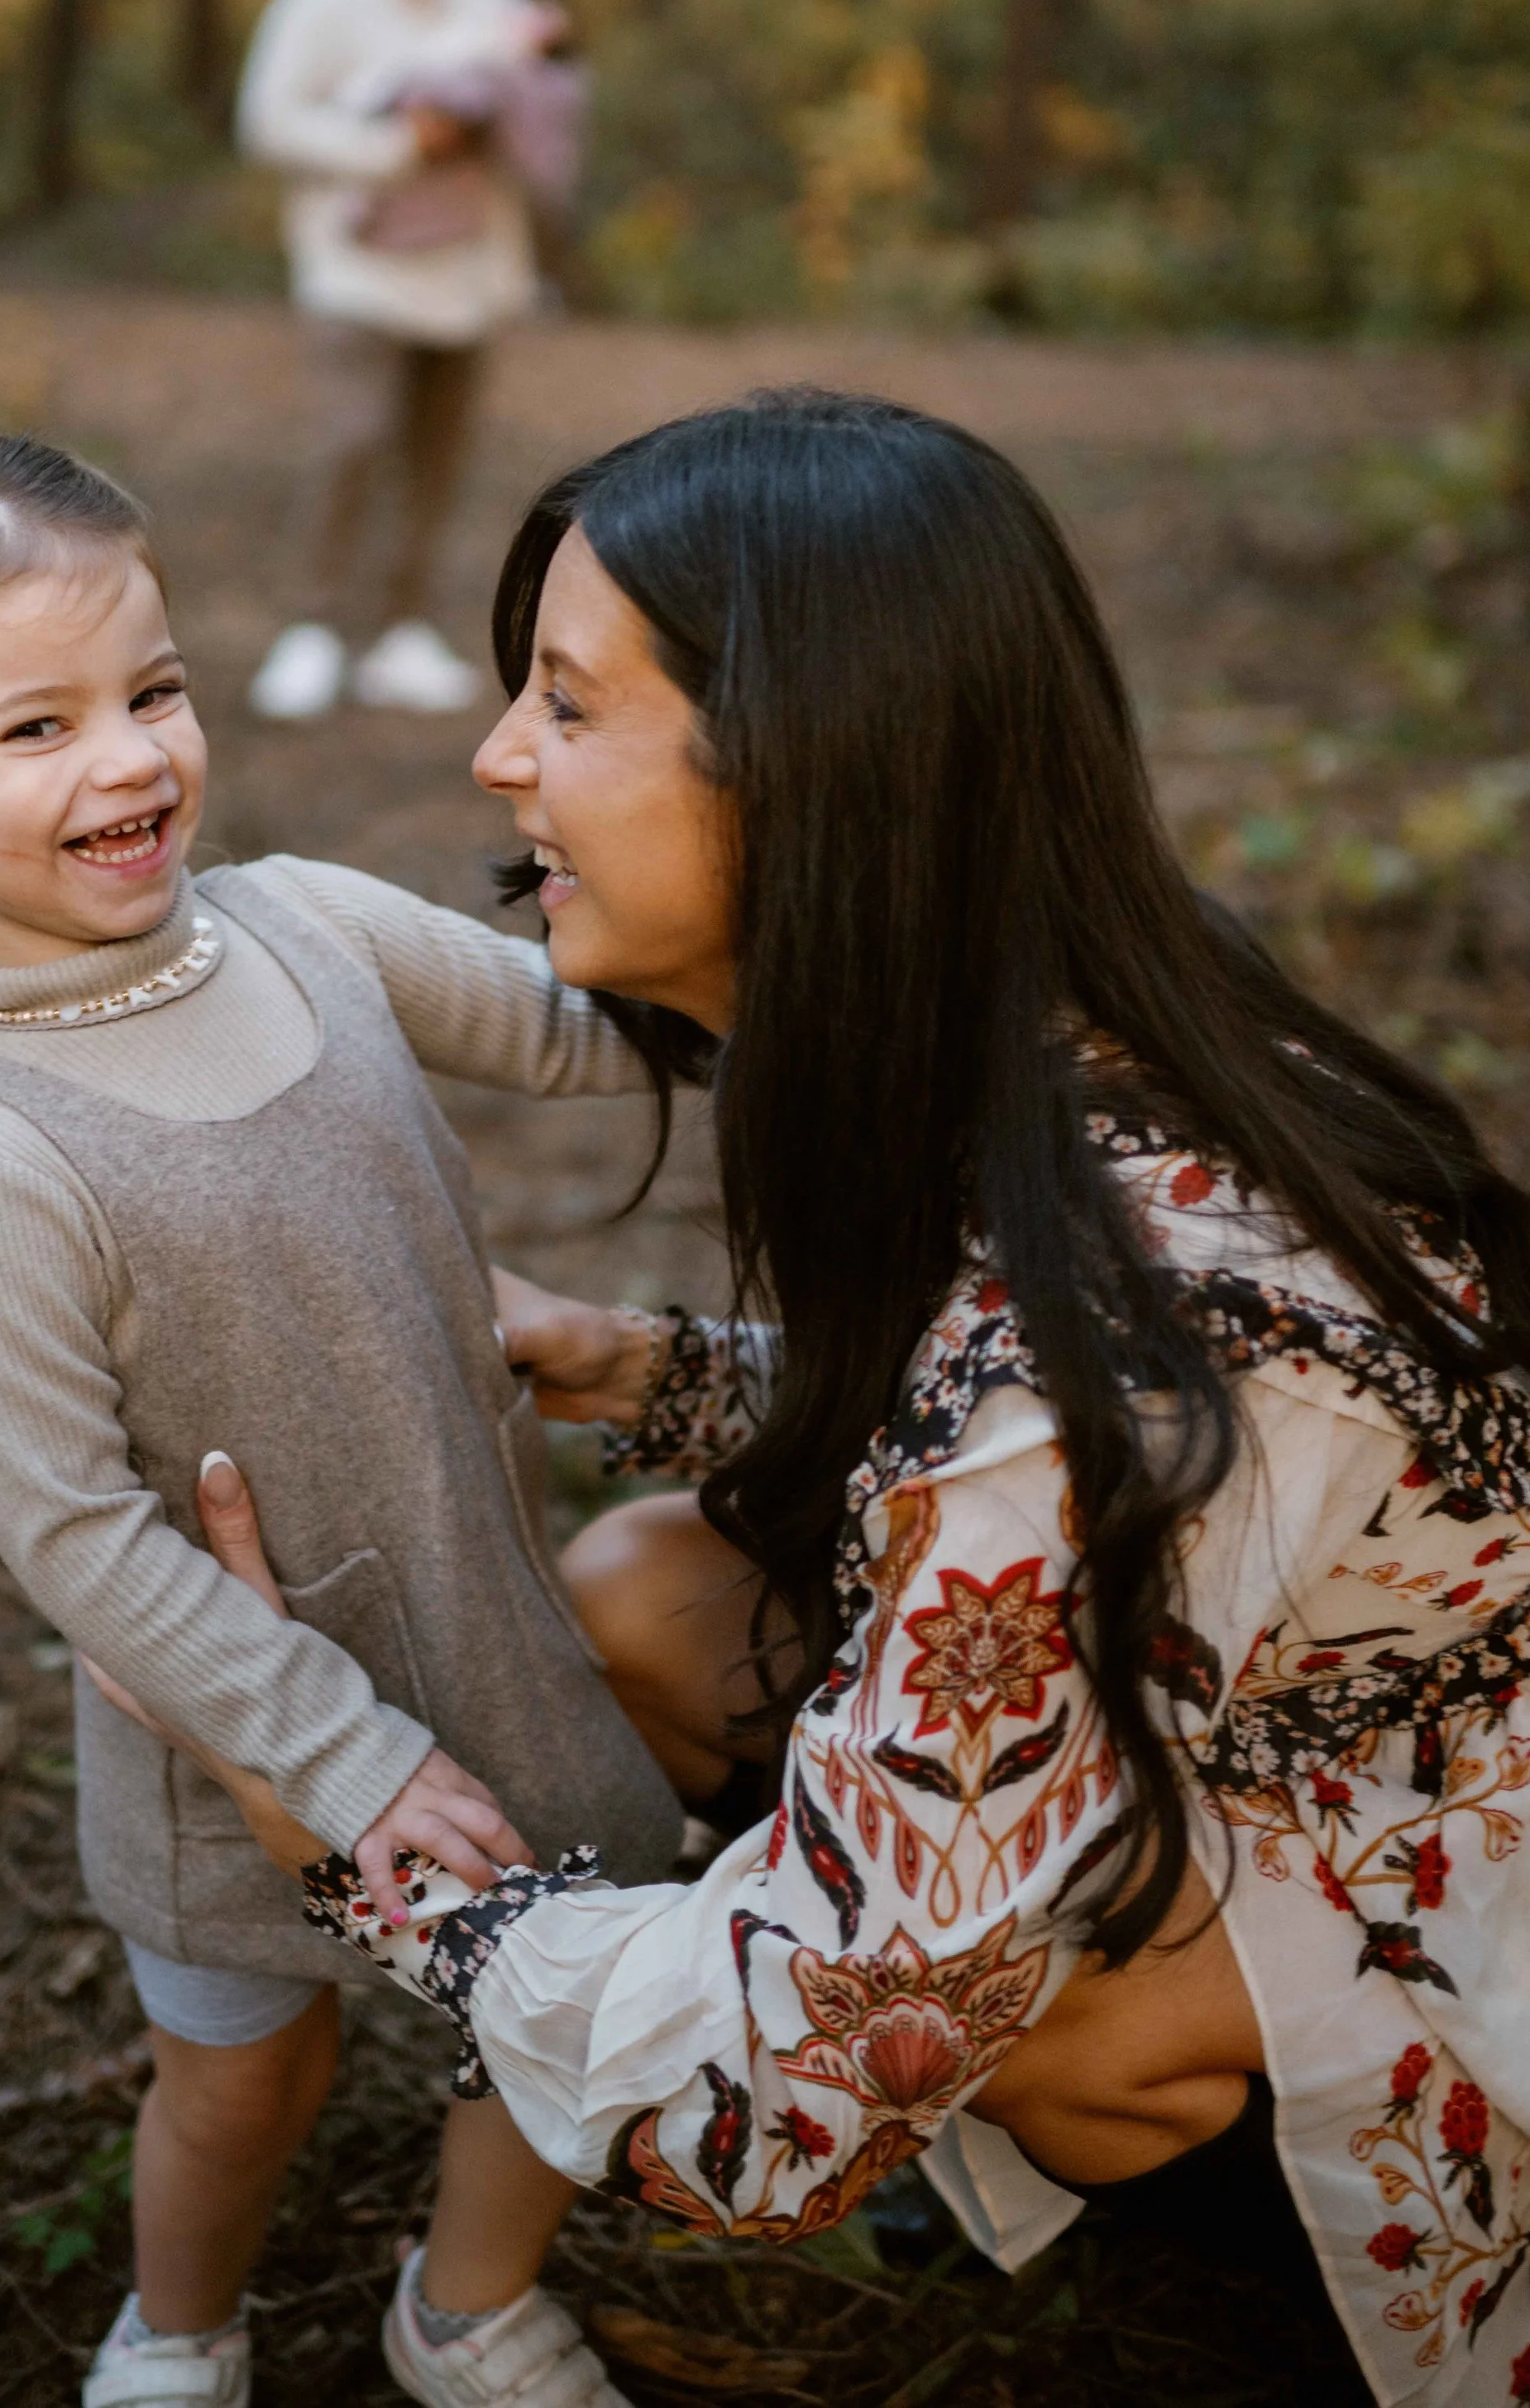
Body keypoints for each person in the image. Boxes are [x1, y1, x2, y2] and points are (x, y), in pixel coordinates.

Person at [168, 392, 1530, 2403]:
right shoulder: (1047, 1030)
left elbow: (790, 2090)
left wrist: (345, 1822)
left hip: (1447, 1879)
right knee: (650, 1589)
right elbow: (990, 1452)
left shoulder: (1132, 1340)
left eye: (569, 700)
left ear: (817, 767)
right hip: (1280, 1719)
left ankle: (1218, 2189)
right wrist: (645, 1369)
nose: (496, 755)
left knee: (1040, 2035)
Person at [0, 424, 687, 2408]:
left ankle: (464, 2300)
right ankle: (180, 2322)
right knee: (244, 2069)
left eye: (154, 690)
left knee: (569, 2012)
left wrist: (784, 954)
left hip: (482, 1609)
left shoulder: (311, 923)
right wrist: (326, 1750)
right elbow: (74, 1528)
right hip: (243, 1717)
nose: (131, 758)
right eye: (36, 727)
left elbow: (576, 1024)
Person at [237, 0, 557, 724]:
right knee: (351, 439)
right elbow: (268, 123)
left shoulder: (486, 1)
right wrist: (393, 148)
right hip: (356, 272)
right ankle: (313, 628)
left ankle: (401, 631)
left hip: (466, 275)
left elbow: (532, 105)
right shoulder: (317, 3)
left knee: (437, 457)